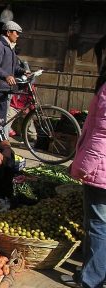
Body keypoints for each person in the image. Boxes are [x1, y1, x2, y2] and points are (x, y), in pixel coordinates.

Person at [69, 34, 106, 288]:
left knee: (97, 225)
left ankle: (91, 280)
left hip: (101, 170)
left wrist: (83, 167)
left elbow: (102, 135)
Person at [0, 21, 29, 135]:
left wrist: (23, 71)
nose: (18, 35)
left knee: (1, 117)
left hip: (6, 87)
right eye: (16, 33)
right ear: (8, 32)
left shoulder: (10, 48)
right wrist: (6, 76)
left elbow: (14, 67)